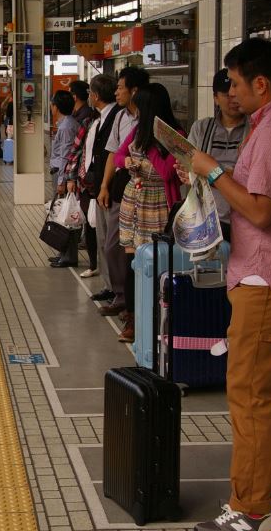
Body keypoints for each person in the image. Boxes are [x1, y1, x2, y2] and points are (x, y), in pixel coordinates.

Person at [184, 39, 271, 531]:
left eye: (235, 83)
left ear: (260, 83)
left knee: (250, 394)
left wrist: (212, 172)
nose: (230, 92)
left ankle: (249, 509)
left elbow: (261, 210)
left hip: (266, 279)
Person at [113, 83, 183, 342]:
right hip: (133, 201)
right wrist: (127, 161)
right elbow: (118, 156)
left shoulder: (175, 135)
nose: (137, 113)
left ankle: (157, 320)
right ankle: (134, 319)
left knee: (156, 263)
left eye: (140, 108)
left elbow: (166, 172)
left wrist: (151, 142)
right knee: (132, 263)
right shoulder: (137, 130)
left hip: (159, 203)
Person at [96, 66, 150, 325]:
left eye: (120, 87)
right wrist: (104, 186)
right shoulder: (119, 117)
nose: (116, 92)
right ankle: (121, 295)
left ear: (134, 90)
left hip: (148, 192)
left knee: (137, 249)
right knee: (114, 245)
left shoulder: (148, 120)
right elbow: (114, 154)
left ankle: (134, 304)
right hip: (123, 186)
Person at [187, 69, 249, 241]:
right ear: (215, 98)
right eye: (226, 95)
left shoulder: (254, 129)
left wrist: (211, 172)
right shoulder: (201, 128)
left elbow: (250, 177)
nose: (233, 99)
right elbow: (189, 167)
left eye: (235, 92)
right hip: (207, 219)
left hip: (243, 220)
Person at [77, 74, 121, 290]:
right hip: (99, 184)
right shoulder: (100, 118)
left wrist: (102, 184)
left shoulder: (116, 116)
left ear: (94, 95)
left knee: (109, 240)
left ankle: (115, 288)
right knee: (102, 237)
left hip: (109, 186)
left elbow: (112, 153)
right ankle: (109, 286)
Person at [59, 80, 98, 275]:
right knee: (85, 220)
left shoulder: (85, 119)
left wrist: (68, 178)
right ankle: (83, 258)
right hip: (86, 180)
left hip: (88, 181)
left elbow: (73, 151)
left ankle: (78, 257)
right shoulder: (86, 118)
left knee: (84, 220)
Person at [47, 90, 79, 266]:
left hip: (63, 175)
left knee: (67, 216)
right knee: (62, 214)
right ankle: (63, 252)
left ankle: (69, 255)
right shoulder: (66, 123)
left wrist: (62, 181)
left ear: (56, 107)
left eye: (52, 104)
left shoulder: (66, 126)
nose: (51, 107)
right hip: (61, 173)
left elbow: (66, 155)